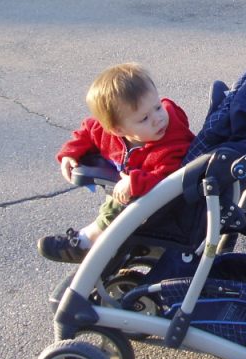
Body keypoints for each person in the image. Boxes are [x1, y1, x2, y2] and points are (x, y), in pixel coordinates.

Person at [38, 63, 195, 264]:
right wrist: (70, 153)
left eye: (158, 107)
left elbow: (170, 178)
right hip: (131, 198)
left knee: (118, 203)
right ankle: (110, 244)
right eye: (144, 118)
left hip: (164, 206)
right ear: (118, 129)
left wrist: (135, 182)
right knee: (118, 199)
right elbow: (87, 131)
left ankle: (88, 241)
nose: (158, 119)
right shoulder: (106, 132)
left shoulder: (171, 142)